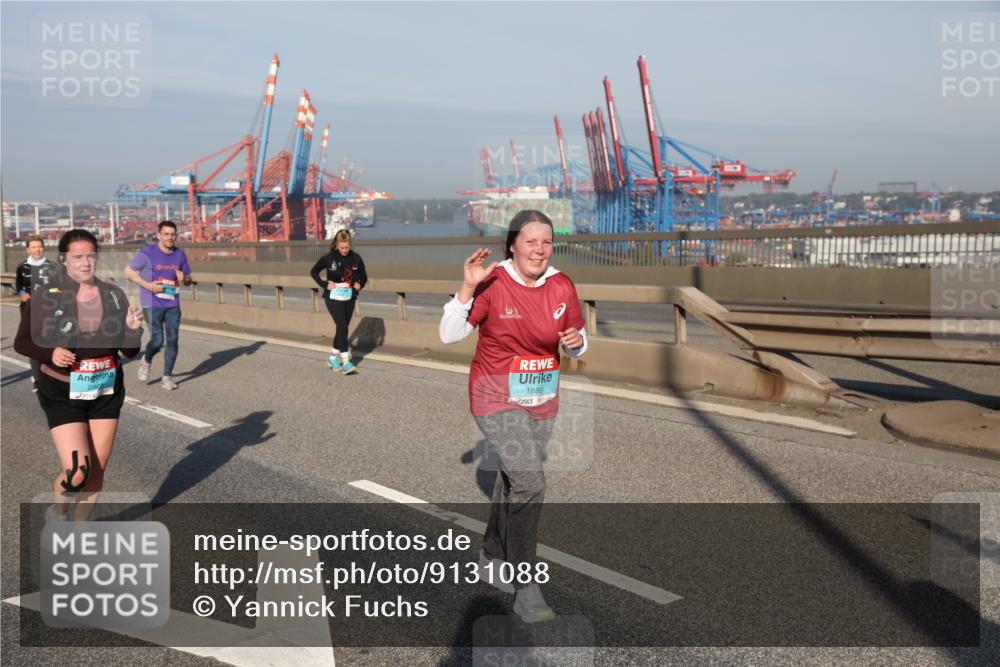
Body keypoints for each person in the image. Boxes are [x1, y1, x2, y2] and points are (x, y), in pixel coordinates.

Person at [439, 209, 587, 623]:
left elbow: (579, 340)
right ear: (512, 245)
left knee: (513, 480)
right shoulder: (493, 282)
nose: (539, 250)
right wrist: (467, 287)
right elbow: (449, 334)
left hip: (542, 398)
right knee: (530, 482)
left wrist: (575, 343)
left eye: (546, 242)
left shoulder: (561, 285)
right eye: (530, 242)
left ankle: (491, 555)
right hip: (495, 397)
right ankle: (526, 587)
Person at [14, 229, 144, 517]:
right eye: (78, 257)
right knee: (77, 472)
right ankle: (59, 512)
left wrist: (133, 330)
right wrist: (51, 353)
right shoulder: (46, 295)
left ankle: (80, 529)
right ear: (63, 259)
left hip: (105, 392)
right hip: (63, 392)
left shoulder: (113, 294)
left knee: (97, 470)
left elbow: (130, 351)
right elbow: (22, 342)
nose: (86, 263)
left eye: (91, 256)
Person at [124, 220, 191, 390]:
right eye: (166, 234)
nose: (170, 237)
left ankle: (167, 377)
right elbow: (128, 272)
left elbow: (188, 279)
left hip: (172, 303)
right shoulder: (148, 253)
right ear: (159, 235)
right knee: (157, 340)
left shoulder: (180, 254)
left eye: (173, 234)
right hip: (152, 302)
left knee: (173, 340)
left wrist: (185, 279)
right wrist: (148, 286)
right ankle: (146, 359)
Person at [310, 229, 368, 374]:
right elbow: (314, 272)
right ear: (336, 244)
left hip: (349, 296)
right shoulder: (329, 257)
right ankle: (346, 362)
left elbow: (363, 276)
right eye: (341, 247)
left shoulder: (356, 258)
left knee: (342, 329)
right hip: (333, 296)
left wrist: (359, 284)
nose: (344, 250)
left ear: (350, 244)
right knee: (343, 327)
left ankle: (332, 359)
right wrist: (324, 284)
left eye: (346, 247)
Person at [14, 235, 57, 392]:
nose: (37, 250)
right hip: (29, 310)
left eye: (39, 246)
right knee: (34, 343)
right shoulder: (22, 267)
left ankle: (49, 375)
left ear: (43, 248)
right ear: (28, 250)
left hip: (50, 310)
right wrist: (22, 293)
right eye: (33, 247)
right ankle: (37, 378)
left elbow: (59, 287)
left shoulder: (53, 267)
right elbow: (19, 286)